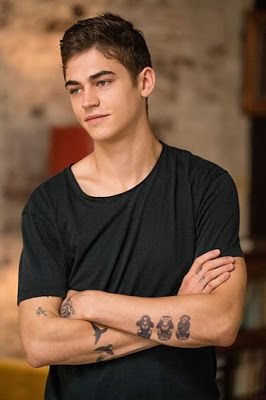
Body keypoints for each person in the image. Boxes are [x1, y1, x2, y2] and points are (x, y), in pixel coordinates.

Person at [18, 12, 247, 400]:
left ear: (145, 81)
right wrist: (179, 310)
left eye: (102, 82)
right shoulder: (48, 205)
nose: (88, 101)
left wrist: (92, 303)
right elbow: (40, 344)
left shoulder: (206, 186)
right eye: (75, 89)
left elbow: (221, 322)